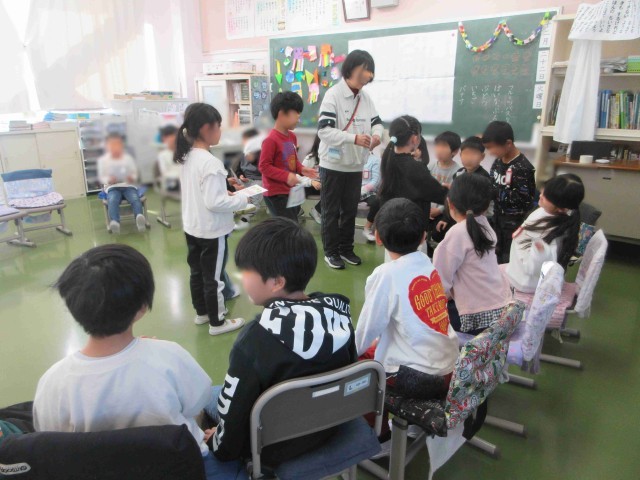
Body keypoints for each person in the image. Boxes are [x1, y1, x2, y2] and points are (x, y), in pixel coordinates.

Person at [32, 245, 242, 479]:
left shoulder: (52, 383)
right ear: (142, 307)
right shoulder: (169, 357)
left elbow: (50, 438)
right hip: (183, 469)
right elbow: (197, 404)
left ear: (72, 306)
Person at [210, 218, 356, 465]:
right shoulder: (339, 313)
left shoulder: (254, 340)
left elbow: (233, 419)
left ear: (277, 282)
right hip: (333, 425)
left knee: (207, 398)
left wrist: (217, 445)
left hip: (273, 447)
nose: (242, 279)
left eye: (246, 272)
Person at [355, 198, 459, 446]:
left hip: (415, 379)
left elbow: (366, 332)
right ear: (423, 236)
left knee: (359, 367)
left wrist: (345, 356)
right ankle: (404, 426)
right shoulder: (427, 265)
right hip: (448, 368)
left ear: (378, 237)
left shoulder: (386, 274)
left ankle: (378, 436)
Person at [175, 103, 248, 336]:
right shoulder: (210, 162)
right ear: (206, 128)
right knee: (213, 279)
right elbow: (215, 203)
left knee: (196, 273)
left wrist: (224, 192)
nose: (220, 131)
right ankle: (218, 323)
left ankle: (202, 313)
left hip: (193, 226)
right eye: (218, 126)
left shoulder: (186, 156)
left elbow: (202, 192)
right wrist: (243, 199)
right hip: (211, 231)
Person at [318, 50, 384, 269]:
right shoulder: (333, 95)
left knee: (349, 211)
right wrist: (353, 138)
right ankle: (331, 252)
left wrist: (377, 135)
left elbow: (377, 122)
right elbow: (324, 131)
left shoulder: (365, 97)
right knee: (331, 212)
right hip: (333, 165)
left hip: (355, 166)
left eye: (370, 71)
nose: (368, 75)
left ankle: (346, 249)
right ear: (351, 69)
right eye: (365, 69)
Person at [433, 174, 512, 334]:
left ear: (450, 203)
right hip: (502, 310)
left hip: (476, 320)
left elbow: (439, 283)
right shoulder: (484, 224)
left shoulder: (457, 233)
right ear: (485, 207)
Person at [506, 174, 585, 293]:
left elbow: (539, 268)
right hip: (518, 271)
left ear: (561, 208)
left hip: (527, 284)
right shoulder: (546, 211)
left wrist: (540, 253)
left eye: (547, 196)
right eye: (544, 190)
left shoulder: (554, 234)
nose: (541, 194)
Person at [378, 116, 448, 242]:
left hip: (390, 228)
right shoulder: (416, 168)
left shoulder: (388, 161)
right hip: (412, 230)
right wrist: (449, 190)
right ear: (415, 139)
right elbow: (439, 195)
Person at [258, 92, 317, 221]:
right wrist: (287, 176)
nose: (299, 116)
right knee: (288, 226)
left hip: (289, 191)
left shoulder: (292, 137)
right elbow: (264, 167)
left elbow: (293, 161)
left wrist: (301, 169)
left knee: (290, 225)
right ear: (281, 114)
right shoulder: (270, 140)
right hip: (275, 194)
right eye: (296, 112)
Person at [483, 121, 536, 264]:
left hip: (514, 224)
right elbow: (492, 183)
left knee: (509, 260)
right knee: (495, 255)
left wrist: (495, 193)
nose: (490, 152)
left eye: (492, 147)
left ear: (508, 143)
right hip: (497, 219)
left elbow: (523, 200)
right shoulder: (498, 162)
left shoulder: (523, 168)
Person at [434, 136, 494, 237]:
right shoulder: (459, 173)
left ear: (482, 157)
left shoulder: (484, 178)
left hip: (478, 219)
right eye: (466, 154)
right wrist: (446, 218)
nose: (469, 157)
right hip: (459, 217)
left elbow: (481, 205)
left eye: (474, 154)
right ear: (460, 155)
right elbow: (452, 198)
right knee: (439, 233)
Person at [97, 133, 145, 234]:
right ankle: (115, 222)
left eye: (118, 144)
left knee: (135, 198)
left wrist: (132, 177)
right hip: (112, 187)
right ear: (108, 146)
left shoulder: (128, 158)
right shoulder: (103, 160)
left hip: (128, 185)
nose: (115, 147)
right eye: (112, 144)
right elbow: (102, 177)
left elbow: (135, 173)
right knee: (112, 200)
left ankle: (139, 218)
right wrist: (109, 180)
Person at [427, 131, 461, 246]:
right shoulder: (430, 166)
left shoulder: (458, 172)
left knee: (439, 235)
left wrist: (439, 210)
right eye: (437, 145)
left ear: (454, 151)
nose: (439, 150)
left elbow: (454, 196)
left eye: (444, 146)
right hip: (427, 210)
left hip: (444, 212)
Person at [361, 150, 382, 242]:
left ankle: (367, 228)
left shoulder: (375, 160)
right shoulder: (353, 157)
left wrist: (363, 189)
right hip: (353, 189)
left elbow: (376, 181)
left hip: (369, 191)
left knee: (376, 201)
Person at [302, 134, 322, 225]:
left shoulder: (332, 157)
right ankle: (297, 211)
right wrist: (312, 182)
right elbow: (301, 177)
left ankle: (317, 210)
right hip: (310, 185)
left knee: (337, 190)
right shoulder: (310, 158)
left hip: (323, 185)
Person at [157, 125, 181, 192]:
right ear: (165, 138)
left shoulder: (181, 151)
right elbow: (165, 173)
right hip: (173, 183)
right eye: (173, 136)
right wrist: (180, 175)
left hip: (183, 180)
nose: (176, 138)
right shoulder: (162, 155)